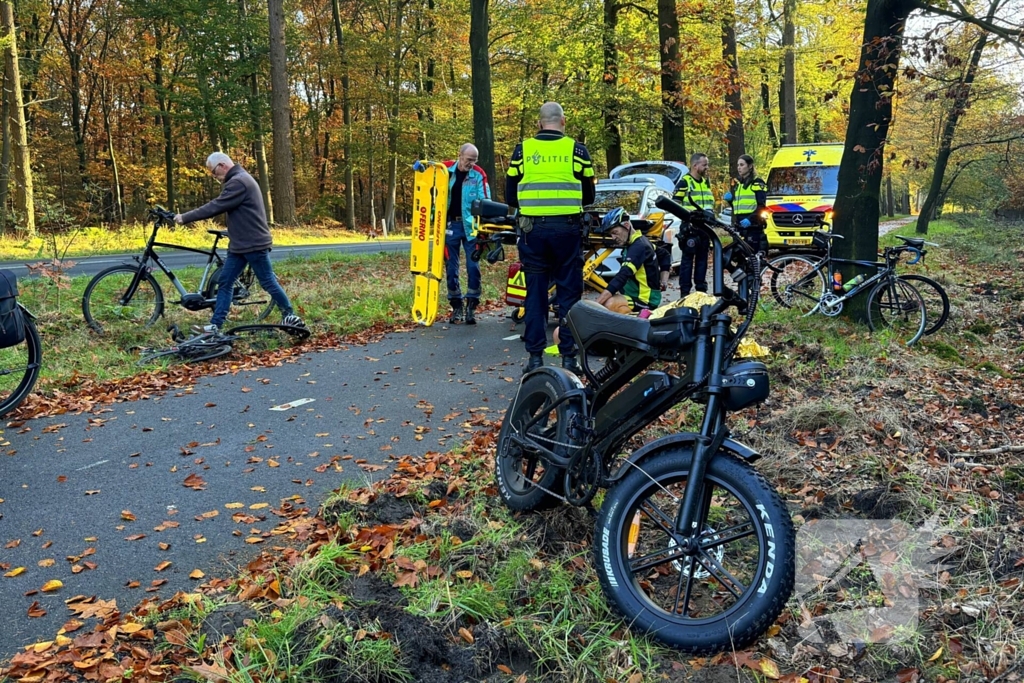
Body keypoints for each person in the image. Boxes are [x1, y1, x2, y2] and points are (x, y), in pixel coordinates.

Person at [506, 102, 595, 374]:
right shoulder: (577, 150)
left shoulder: (523, 150)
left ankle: (534, 358)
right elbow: (589, 196)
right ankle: (568, 357)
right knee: (569, 293)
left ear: (539, 122)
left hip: (533, 231)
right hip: (567, 230)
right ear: (563, 121)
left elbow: (511, 196)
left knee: (535, 294)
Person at [174, 152, 304, 334]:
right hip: (240, 245)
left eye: (214, 172)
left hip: (253, 244)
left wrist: (184, 217)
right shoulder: (240, 179)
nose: (214, 177)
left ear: (222, 165)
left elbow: (215, 206)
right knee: (225, 282)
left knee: (267, 281)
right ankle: (215, 325)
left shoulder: (238, 182)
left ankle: (289, 315)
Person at [442, 144, 490, 325]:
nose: (471, 163)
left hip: (472, 227)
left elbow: (485, 199)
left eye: (474, 160)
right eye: (468, 159)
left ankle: (471, 305)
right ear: (459, 155)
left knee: (473, 267)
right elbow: (428, 176)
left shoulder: (478, 174)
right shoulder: (445, 170)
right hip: (450, 225)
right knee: (451, 268)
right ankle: (456, 306)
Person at [595, 208, 662, 314]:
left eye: (615, 232)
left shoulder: (639, 246)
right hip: (632, 296)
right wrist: (664, 280)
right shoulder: (638, 241)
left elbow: (623, 275)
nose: (613, 237)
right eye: (610, 234)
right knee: (604, 303)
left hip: (645, 300)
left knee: (610, 304)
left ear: (626, 225)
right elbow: (664, 254)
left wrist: (596, 305)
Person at [675, 152, 714, 296]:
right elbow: (675, 204)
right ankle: (684, 293)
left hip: (704, 228)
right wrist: (688, 216)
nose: (706, 168)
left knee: (702, 260)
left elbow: (709, 203)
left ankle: (700, 292)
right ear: (695, 165)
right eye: (704, 165)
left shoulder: (705, 183)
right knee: (687, 261)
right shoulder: (685, 182)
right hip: (690, 228)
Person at [723, 154, 768, 253]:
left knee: (752, 256)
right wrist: (730, 201)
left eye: (742, 165)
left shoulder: (757, 183)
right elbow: (738, 208)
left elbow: (762, 206)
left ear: (750, 166)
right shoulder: (739, 185)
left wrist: (750, 219)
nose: (739, 167)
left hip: (753, 227)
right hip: (740, 226)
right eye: (738, 165)